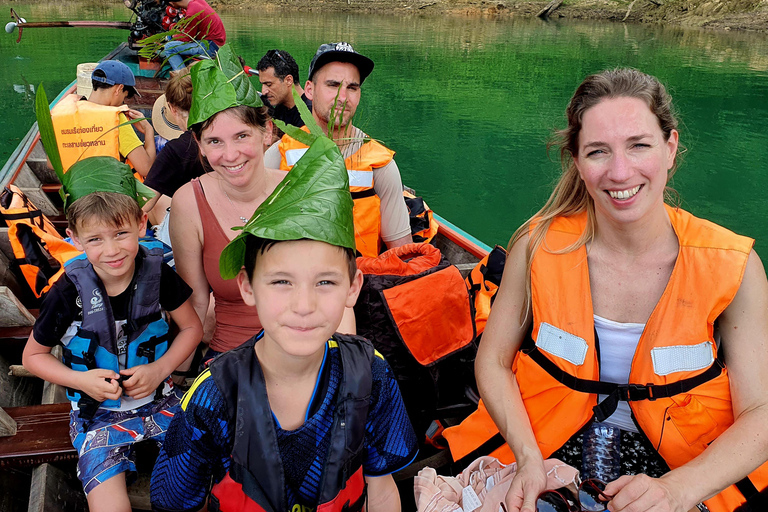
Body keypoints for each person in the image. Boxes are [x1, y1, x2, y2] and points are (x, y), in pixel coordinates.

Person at [471, 68, 768, 512]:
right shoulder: (536, 247)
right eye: (597, 152)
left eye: (639, 145)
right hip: (545, 447)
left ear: (670, 148)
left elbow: (761, 412)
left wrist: (677, 489)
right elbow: (492, 362)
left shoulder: (734, 266)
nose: (619, 171)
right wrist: (528, 458)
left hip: (685, 466)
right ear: (577, 161)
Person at [150, 123, 418, 512]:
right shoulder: (213, 397)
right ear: (247, 287)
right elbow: (176, 503)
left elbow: (380, 488)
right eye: (280, 282)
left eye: (325, 281)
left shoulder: (371, 374)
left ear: (353, 287)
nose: (304, 305)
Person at [21, 158, 203, 512]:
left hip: (161, 399)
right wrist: (81, 380)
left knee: (202, 476)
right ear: (74, 238)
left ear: (140, 223)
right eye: (95, 239)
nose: (112, 250)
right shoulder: (66, 292)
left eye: (121, 233)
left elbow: (192, 327)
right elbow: (33, 357)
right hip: (97, 413)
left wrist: (160, 369)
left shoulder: (159, 274)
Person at [169, 44, 286, 365]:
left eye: (241, 136)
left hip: (306, 352)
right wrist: (171, 372)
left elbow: (335, 294)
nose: (230, 155)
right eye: (215, 141)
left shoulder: (298, 191)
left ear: (267, 132)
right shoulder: (188, 204)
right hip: (231, 357)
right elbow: (196, 311)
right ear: (200, 146)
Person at [267, 42, 412, 258]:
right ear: (309, 89)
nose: (343, 98)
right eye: (333, 85)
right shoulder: (277, 156)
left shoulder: (380, 165)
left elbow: (402, 254)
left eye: (352, 88)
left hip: (360, 284)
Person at [50, 60, 156, 177]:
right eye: (125, 97)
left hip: (73, 191)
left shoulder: (63, 114)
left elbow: (51, 164)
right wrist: (148, 131)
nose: (122, 102)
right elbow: (147, 169)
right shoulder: (115, 119)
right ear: (118, 88)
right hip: (109, 192)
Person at [144, 70, 206, 233]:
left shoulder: (176, 150)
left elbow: (143, 202)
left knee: (158, 202)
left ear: (172, 108)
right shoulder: (231, 137)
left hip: (197, 230)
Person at [161, 0, 226, 72]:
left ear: (171, 3)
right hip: (218, 43)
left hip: (209, 46)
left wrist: (171, 37)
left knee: (169, 47)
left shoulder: (192, 12)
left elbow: (186, 38)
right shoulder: (198, 2)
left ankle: (181, 77)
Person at [257, 48, 312, 128]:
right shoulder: (282, 106)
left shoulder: (308, 114)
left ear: (289, 80)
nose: (264, 91)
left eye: (269, 84)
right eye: (263, 84)